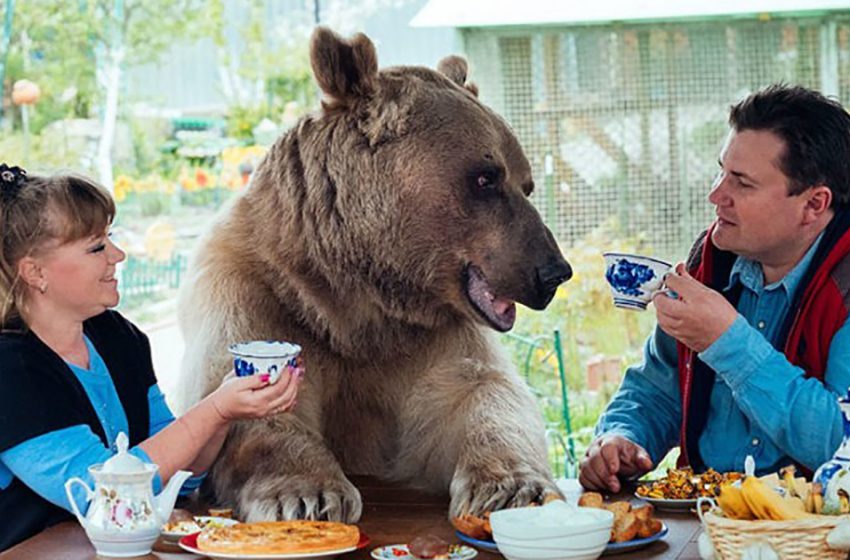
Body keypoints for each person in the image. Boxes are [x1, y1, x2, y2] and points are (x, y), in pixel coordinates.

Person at [0, 165, 303, 550]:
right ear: (34, 271)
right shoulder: (11, 370)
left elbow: (180, 475)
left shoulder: (117, 336)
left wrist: (228, 413)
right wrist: (213, 410)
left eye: (110, 237)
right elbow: (104, 495)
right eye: (96, 247)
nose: (118, 254)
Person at [580, 84, 850, 492]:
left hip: (816, 534)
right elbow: (658, 388)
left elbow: (841, 442)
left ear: (813, 204)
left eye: (741, 182)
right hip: (704, 518)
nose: (715, 195)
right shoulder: (711, 260)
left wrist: (726, 341)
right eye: (721, 170)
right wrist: (623, 438)